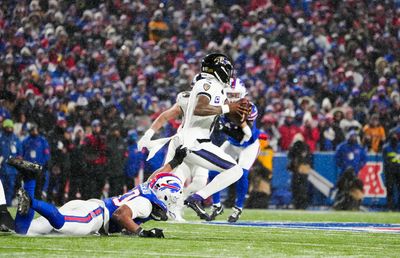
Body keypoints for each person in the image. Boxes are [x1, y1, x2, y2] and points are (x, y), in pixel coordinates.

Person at [9, 145, 187, 237]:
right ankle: (31, 201)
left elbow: (158, 175)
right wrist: (141, 232)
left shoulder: (149, 187)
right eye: (173, 198)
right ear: (164, 194)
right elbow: (120, 214)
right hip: (96, 216)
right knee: (62, 223)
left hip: (90, 206)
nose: (174, 202)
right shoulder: (146, 204)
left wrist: (175, 161)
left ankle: (29, 179)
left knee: (24, 231)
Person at [177, 53, 249, 220]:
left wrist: (238, 113)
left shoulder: (216, 86)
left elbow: (226, 112)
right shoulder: (208, 83)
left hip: (195, 140)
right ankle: (196, 198)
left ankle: (137, 207)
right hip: (194, 142)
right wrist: (228, 109)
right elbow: (200, 108)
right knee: (235, 170)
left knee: (167, 179)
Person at [208, 78, 260, 222]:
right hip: (232, 143)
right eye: (230, 94)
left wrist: (225, 127)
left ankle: (238, 208)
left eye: (236, 94)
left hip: (248, 145)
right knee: (212, 170)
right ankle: (216, 205)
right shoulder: (222, 107)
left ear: (242, 93)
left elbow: (246, 134)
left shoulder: (249, 107)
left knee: (242, 174)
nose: (232, 97)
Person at [21, 123, 50, 200]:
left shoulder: (42, 141)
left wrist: (42, 164)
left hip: (39, 167)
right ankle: (28, 201)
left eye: (35, 130)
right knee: (28, 186)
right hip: (28, 167)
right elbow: (21, 154)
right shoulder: (25, 141)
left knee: (38, 186)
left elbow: (46, 154)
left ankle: (37, 202)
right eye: (33, 130)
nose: (34, 131)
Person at [287, 133, 312, 209]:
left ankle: (298, 204)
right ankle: (302, 204)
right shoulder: (306, 147)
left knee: (297, 188)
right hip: (303, 171)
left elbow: (290, 156)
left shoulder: (296, 147)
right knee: (303, 189)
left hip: (297, 171)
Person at [0, 119, 22, 206]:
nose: (9, 129)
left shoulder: (16, 139)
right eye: (7, 127)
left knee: (10, 188)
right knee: (2, 189)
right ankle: (2, 206)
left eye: (10, 127)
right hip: (2, 169)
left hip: (12, 170)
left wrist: (18, 159)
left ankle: (8, 206)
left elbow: (20, 153)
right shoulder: (1, 139)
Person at [382, 132, 400, 211]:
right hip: (390, 172)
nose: (394, 137)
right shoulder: (386, 147)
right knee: (390, 190)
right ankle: (390, 207)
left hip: (398, 171)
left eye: (395, 135)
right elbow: (385, 161)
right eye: (393, 136)